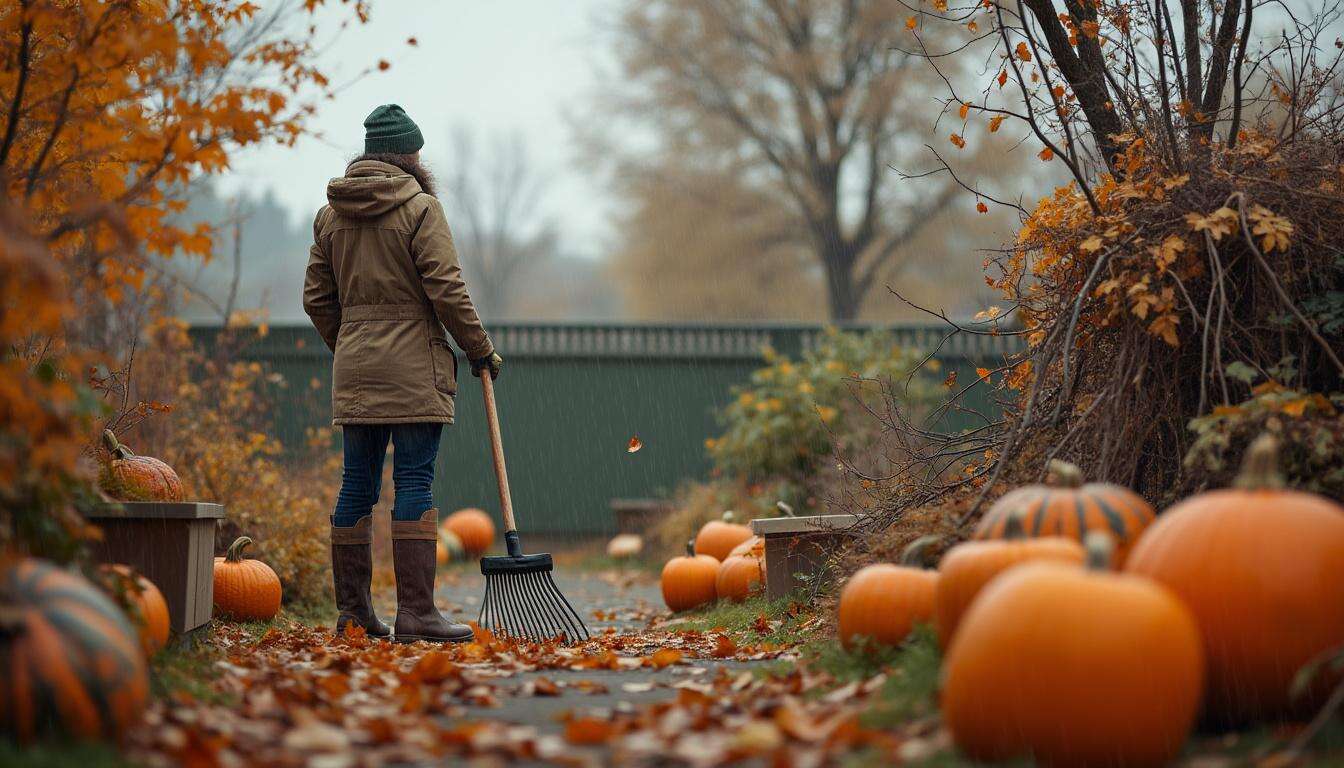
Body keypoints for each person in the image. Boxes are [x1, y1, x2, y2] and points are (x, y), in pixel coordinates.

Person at [303, 104, 504, 643]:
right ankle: (416, 614)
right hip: (415, 369)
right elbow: (446, 288)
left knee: (356, 486)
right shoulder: (420, 209)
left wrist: (349, 343)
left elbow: (317, 299)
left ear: (369, 154)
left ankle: (353, 614)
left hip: (356, 372)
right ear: (411, 156)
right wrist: (479, 349)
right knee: (414, 482)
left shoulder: (330, 215)